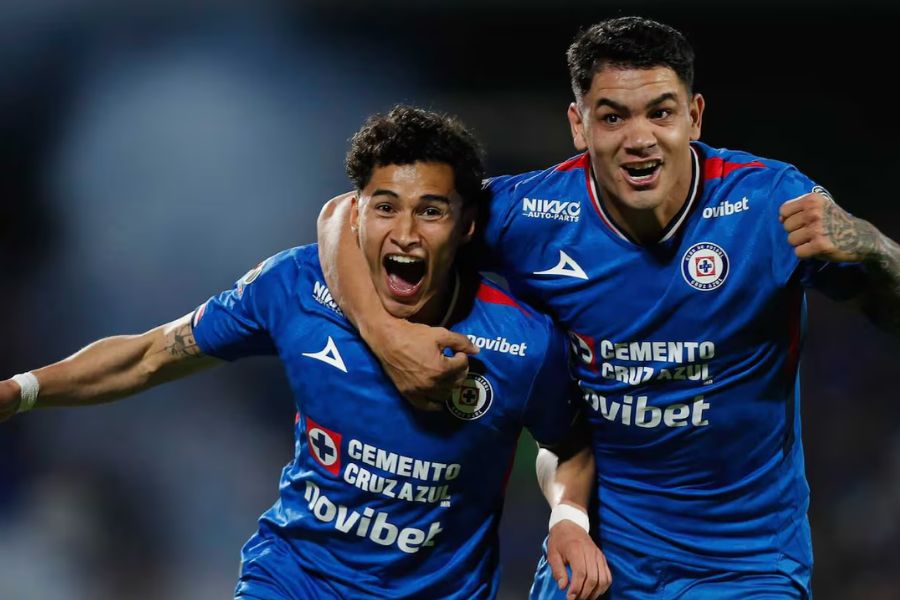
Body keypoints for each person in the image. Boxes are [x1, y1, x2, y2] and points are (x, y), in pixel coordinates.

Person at [316, 17, 900, 599]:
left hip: (744, 567)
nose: (639, 138)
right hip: (595, 559)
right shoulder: (531, 216)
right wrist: (386, 336)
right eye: (613, 117)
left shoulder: (769, 203)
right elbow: (347, 213)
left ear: (694, 117)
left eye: (660, 113)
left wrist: (877, 249)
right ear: (580, 125)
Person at [0, 106, 610, 600]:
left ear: (466, 225)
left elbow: (570, 448)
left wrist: (568, 520)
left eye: (431, 211)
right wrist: (20, 390)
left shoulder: (524, 343)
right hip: (294, 579)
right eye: (385, 207)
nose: (405, 233)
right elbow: (151, 354)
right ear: (357, 215)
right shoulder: (294, 287)